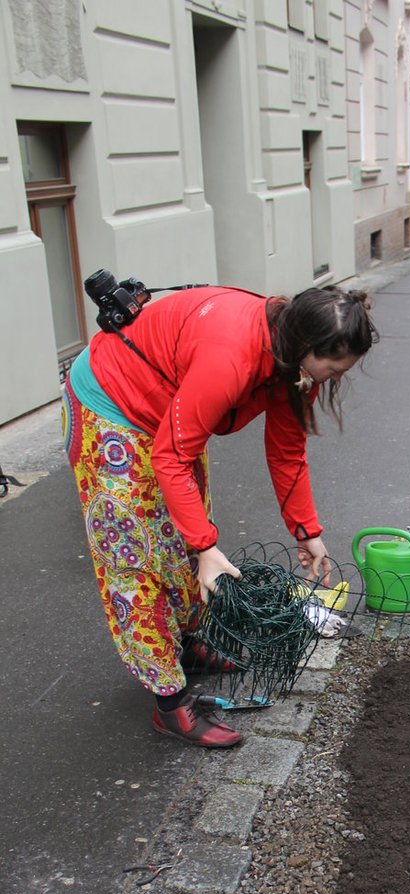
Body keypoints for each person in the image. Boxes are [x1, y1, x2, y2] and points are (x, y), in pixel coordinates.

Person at [63, 282, 378, 747]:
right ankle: (169, 705)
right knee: (136, 556)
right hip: (111, 402)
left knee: (182, 534)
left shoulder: (296, 365)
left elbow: (288, 451)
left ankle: (188, 645)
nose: (334, 377)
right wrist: (206, 546)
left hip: (167, 409)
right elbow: (171, 458)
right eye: (333, 367)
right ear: (306, 345)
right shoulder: (231, 356)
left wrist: (306, 531)